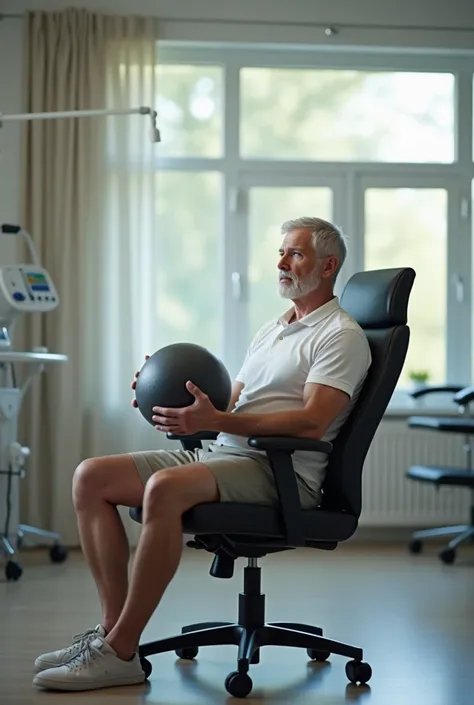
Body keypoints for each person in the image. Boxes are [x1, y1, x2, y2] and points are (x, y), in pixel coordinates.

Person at [33, 216, 372, 692]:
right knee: (90, 477)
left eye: (295, 254)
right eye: (281, 252)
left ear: (329, 264)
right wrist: (169, 399)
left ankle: (125, 648)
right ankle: (109, 639)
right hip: (224, 456)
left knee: (164, 488)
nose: (281, 262)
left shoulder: (341, 335)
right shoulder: (274, 329)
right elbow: (230, 403)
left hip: (281, 473)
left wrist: (216, 422)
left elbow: (312, 421)